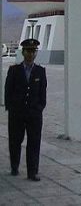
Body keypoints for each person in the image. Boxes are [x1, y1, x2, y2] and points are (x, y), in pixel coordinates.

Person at [4, 39, 47, 181]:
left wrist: (39, 108)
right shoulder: (14, 70)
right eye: (28, 51)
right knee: (15, 141)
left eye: (33, 51)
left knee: (34, 142)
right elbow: (8, 91)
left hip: (34, 114)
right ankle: (14, 166)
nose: (31, 54)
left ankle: (32, 171)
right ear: (23, 52)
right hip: (17, 113)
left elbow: (42, 93)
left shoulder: (40, 71)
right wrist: (11, 108)